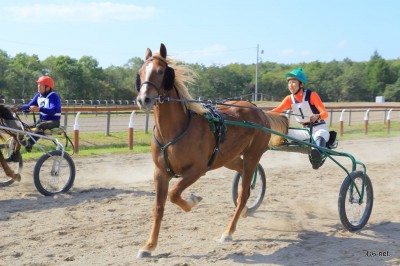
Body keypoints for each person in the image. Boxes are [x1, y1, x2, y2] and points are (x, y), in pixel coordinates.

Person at [272, 68, 329, 170]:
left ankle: (317, 157)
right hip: (305, 131)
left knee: (320, 135)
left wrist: (317, 116)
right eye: (289, 82)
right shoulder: (289, 99)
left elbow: (324, 113)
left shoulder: (312, 95)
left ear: (301, 84)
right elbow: (277, 111)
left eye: (293, 82)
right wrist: (261, 113)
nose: (290, 85)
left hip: (319, 128)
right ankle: (311, 145)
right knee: (284, 132)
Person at [16, 75, 61, 152]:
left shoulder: (54, 96)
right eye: (38, 85)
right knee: (23, 127)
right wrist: (17, 108)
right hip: (41, 121)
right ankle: (19, 145)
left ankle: (29, 143)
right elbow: (28, 106)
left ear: (48, 87)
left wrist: (39, 109)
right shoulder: (38, 96)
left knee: (40, 125)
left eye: (41, 85)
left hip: (54, 122)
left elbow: (53, 110)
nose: (38, 87)